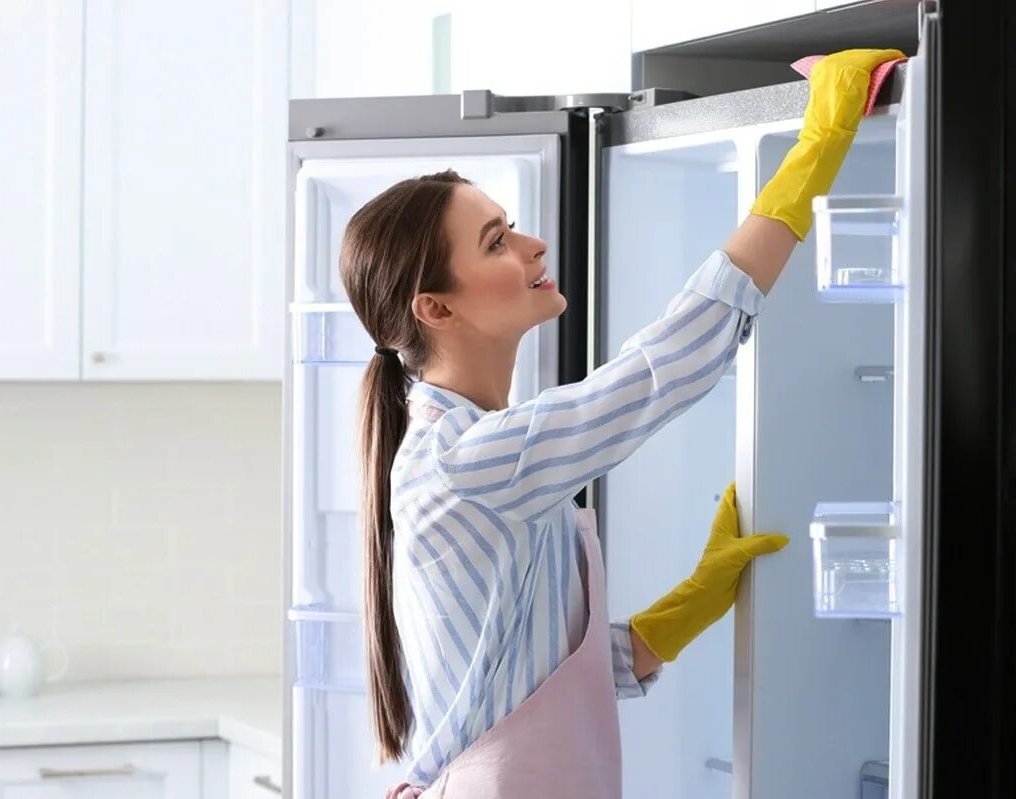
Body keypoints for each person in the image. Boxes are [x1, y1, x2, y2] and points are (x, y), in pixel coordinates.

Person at [338, 48, 904, 799]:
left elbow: (547, 678)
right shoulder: (470, 460)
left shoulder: (472, 450)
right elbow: (658, 373)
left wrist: (690, 603)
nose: (533, 245)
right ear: (436, 309)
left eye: (511, 227)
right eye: (497, 242)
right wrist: (816, 148)